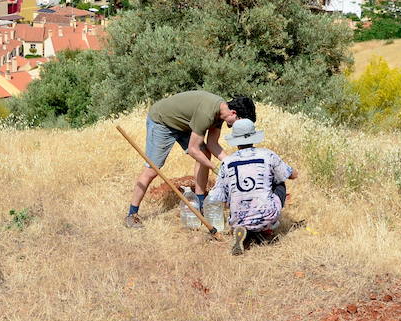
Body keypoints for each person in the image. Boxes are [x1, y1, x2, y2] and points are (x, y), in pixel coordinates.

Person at [125, 91, 255, 229]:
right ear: (234, 113)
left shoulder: (221, 114)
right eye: (240, 123)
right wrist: (215, 168)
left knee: (205, 152)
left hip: (183, 125)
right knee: (152, 169)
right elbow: (193, 150)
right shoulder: (207, 113)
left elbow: (212, 144)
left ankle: (199, 204)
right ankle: (132, 214)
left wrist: (230, 163)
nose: (237, 127)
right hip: (162, 121)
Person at [205, 118, 298, 256]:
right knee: (279, 182)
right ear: (254, 137)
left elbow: (220, 197)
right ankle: (265, 227)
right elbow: (291, 175)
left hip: (237, 218)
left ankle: (245, 229)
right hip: (267, 215)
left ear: (235, 140)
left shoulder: (227, 162)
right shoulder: (267, 154)